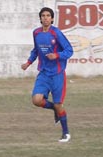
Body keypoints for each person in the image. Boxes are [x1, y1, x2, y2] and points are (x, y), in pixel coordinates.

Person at [21, 7, 73, 143]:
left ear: (52, 18)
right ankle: (55, 110)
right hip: (44, 73)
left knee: (58, 104)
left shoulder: (57, 33)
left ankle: (66, 133)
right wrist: (28, 62)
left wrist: (56, 55)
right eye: (43, 15)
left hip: (57, 74)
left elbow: (69, 50)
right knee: (36, 100)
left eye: (48, 15)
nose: (45, 18)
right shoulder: (36, 33)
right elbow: (36, 51)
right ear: (40, 18)